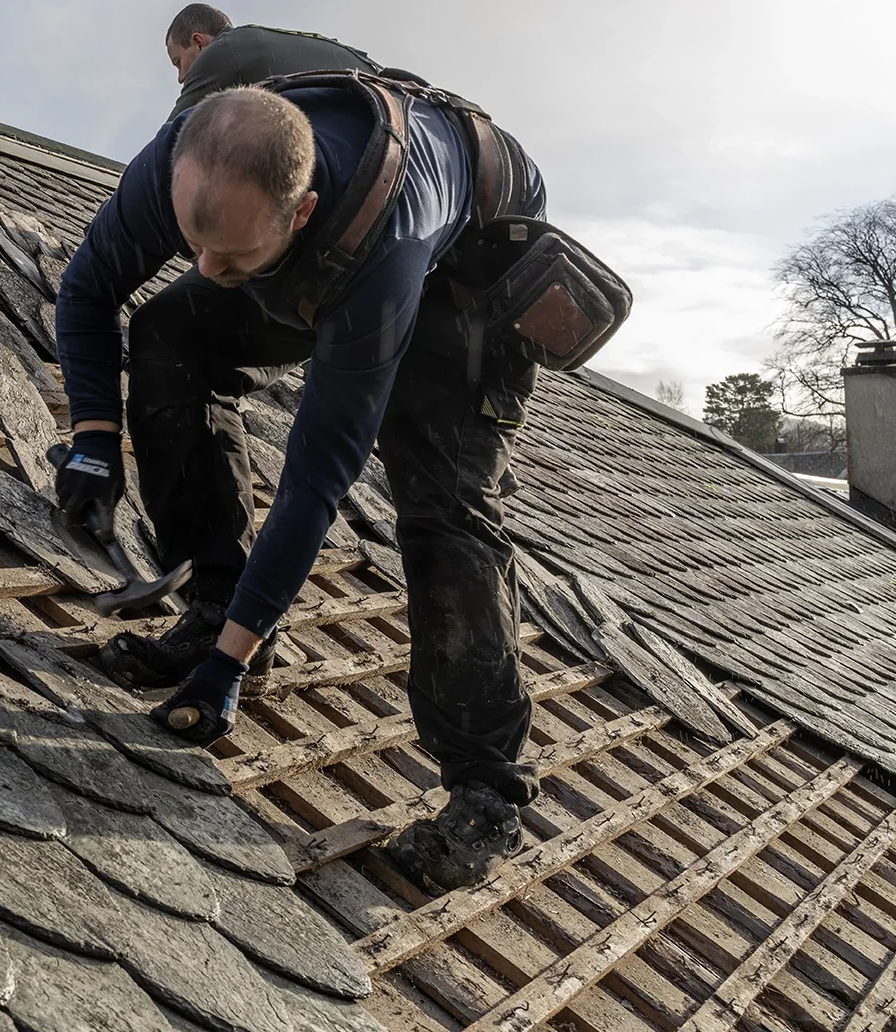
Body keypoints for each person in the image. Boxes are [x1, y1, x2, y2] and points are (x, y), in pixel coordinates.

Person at [53, 73, 548, 894]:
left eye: (235, 252)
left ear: (300, 211)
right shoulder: (182, 162)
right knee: (170, 327)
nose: (206, 266)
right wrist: (92, 443)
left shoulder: (382, 244)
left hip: (468, 272)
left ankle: (486, 790)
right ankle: (214, 602)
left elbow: (315, 479)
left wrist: (227, 671)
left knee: (443, 503)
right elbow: (87, 288)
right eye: (193, 243)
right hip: (327, 248)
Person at [163, 3, 378, 118]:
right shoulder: (259, 40)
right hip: (401, 135)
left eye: (178, 62)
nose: (181, 77)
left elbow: (168, 139)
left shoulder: (222, 51)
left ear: (199, 42)